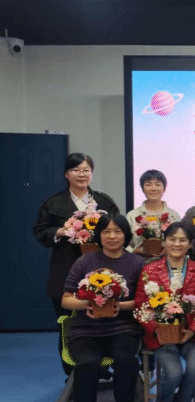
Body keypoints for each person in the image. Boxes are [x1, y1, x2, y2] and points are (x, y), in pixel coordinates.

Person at [60, 214, 145, 402]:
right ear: (99, 235)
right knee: (87, 363)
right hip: (86, 330)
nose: (112, 236)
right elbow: (66, 299)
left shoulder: (137, 263)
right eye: (106, 231)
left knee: (126, 360)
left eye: (118, 231)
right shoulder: (84, 262)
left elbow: (142, 300)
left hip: (122, 329)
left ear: (126, 235)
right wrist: (86, 304)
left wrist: (119, 306)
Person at [33, 153, 119, 375]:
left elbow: (118, 230)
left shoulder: (104, 202)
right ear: (66, 174)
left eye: (86, 170)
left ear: (92, 173)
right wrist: (60, 231)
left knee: (102, 321)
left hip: (101, 272)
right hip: (64, 271)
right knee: (67, 325)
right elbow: (40, 232)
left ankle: (102, 368)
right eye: (76, 170)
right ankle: (73, 373)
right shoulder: (53, 203)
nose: (82, 174)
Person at [134, 222, 195, 402]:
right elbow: (140, 306)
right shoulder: (150, 270)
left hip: (192, 335)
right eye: (172, 239)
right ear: (164, 242)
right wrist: (156, 329)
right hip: (161, 335)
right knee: (174, 373)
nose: (177, 244)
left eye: (182, 240)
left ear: (190, 244)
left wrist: (193, 330)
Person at [126, 169, 181, 255]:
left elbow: (180, 241)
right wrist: (133, 251)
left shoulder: (173, 216)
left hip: (166, 260)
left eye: (157, 185)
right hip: (138, 260)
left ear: (164, 188)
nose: (153, 189)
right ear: (142, 189)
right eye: (148, 184)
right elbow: (125, 243)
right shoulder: (132, 215)